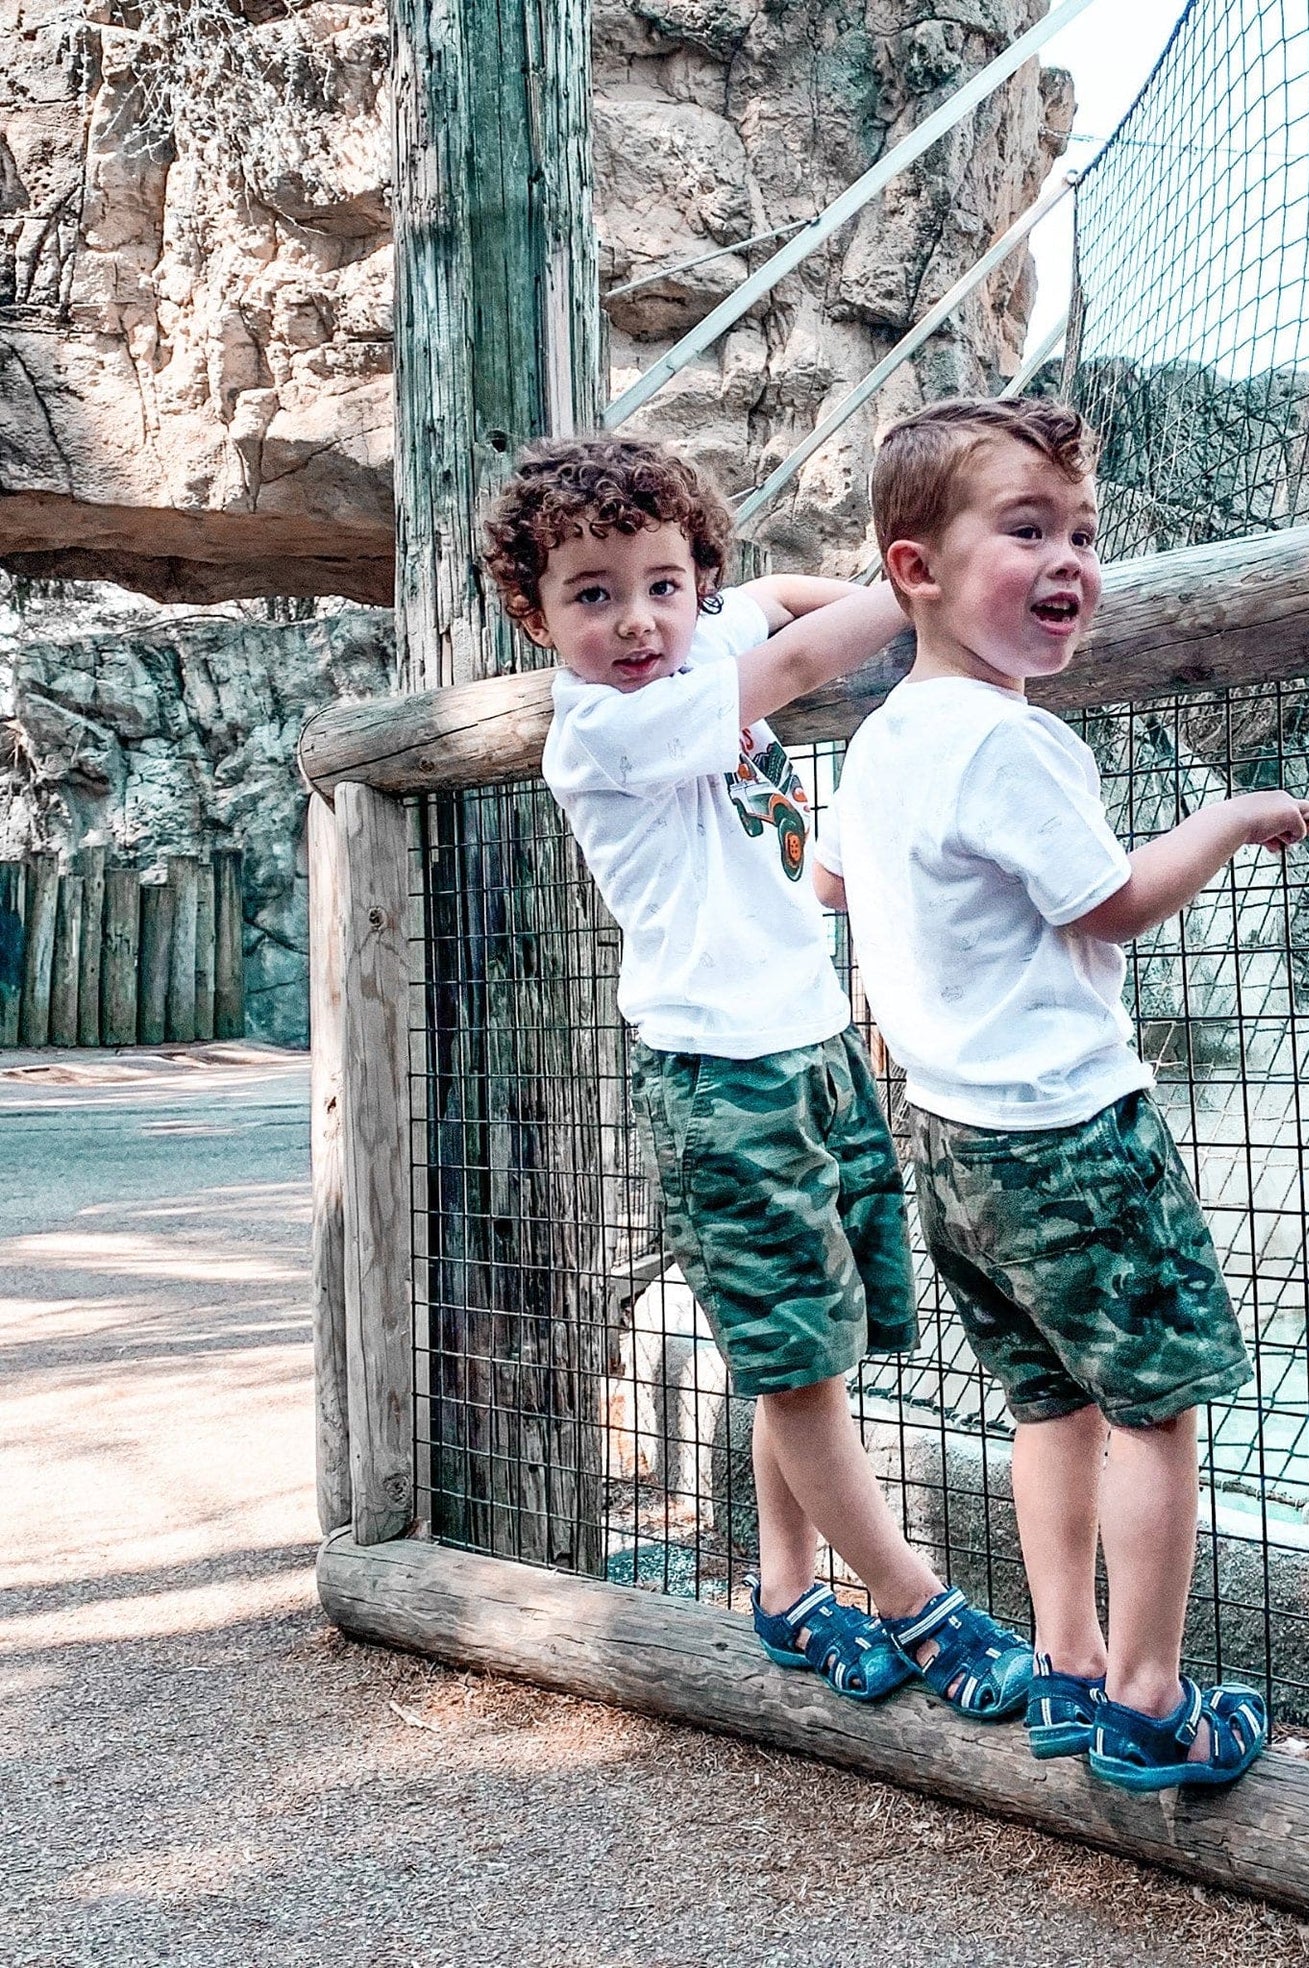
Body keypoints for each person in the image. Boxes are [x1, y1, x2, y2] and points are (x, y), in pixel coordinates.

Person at [482, 434, 1033, 1722]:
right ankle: (916, 1602)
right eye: (593, 593)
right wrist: (934, 585)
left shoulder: (696, 631)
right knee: (789, 1360)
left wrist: (780, 589)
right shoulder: (606, 728)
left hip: (813, 1047)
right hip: (722, 1074)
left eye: (663, 584)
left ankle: (789, 1595)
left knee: (814, 1350)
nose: (638, 620)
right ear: (536, 613)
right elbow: (792, 656)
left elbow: (772, 606)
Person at [816, 398, 1309, 1789]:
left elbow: (836, 884)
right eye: (1026, 530)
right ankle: (1152, 1705)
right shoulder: (1010, 741)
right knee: (1155, 1409)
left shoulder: (879, 742)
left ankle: (1067, 1662)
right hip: (1074, 1133)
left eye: (1084, 535)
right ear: (913, 569)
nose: (1070, 562)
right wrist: (1233, 815)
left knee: (1050, 1406)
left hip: (954, 1139)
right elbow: (1110, 904)